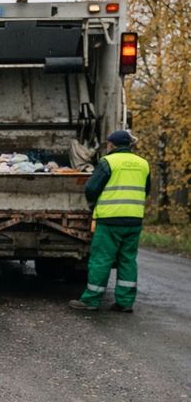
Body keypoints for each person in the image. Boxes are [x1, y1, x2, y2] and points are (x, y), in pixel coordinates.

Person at [69, 130, 149, 313]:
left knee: (101, 260)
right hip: (134, 219)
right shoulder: (143, 163)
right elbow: (146, 189)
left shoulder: (108, 162)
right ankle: (125, 302)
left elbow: (92, 188)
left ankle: (91, 300)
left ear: (112, 145)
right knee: (127, 260)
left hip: (110, 219)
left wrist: (93, 204)